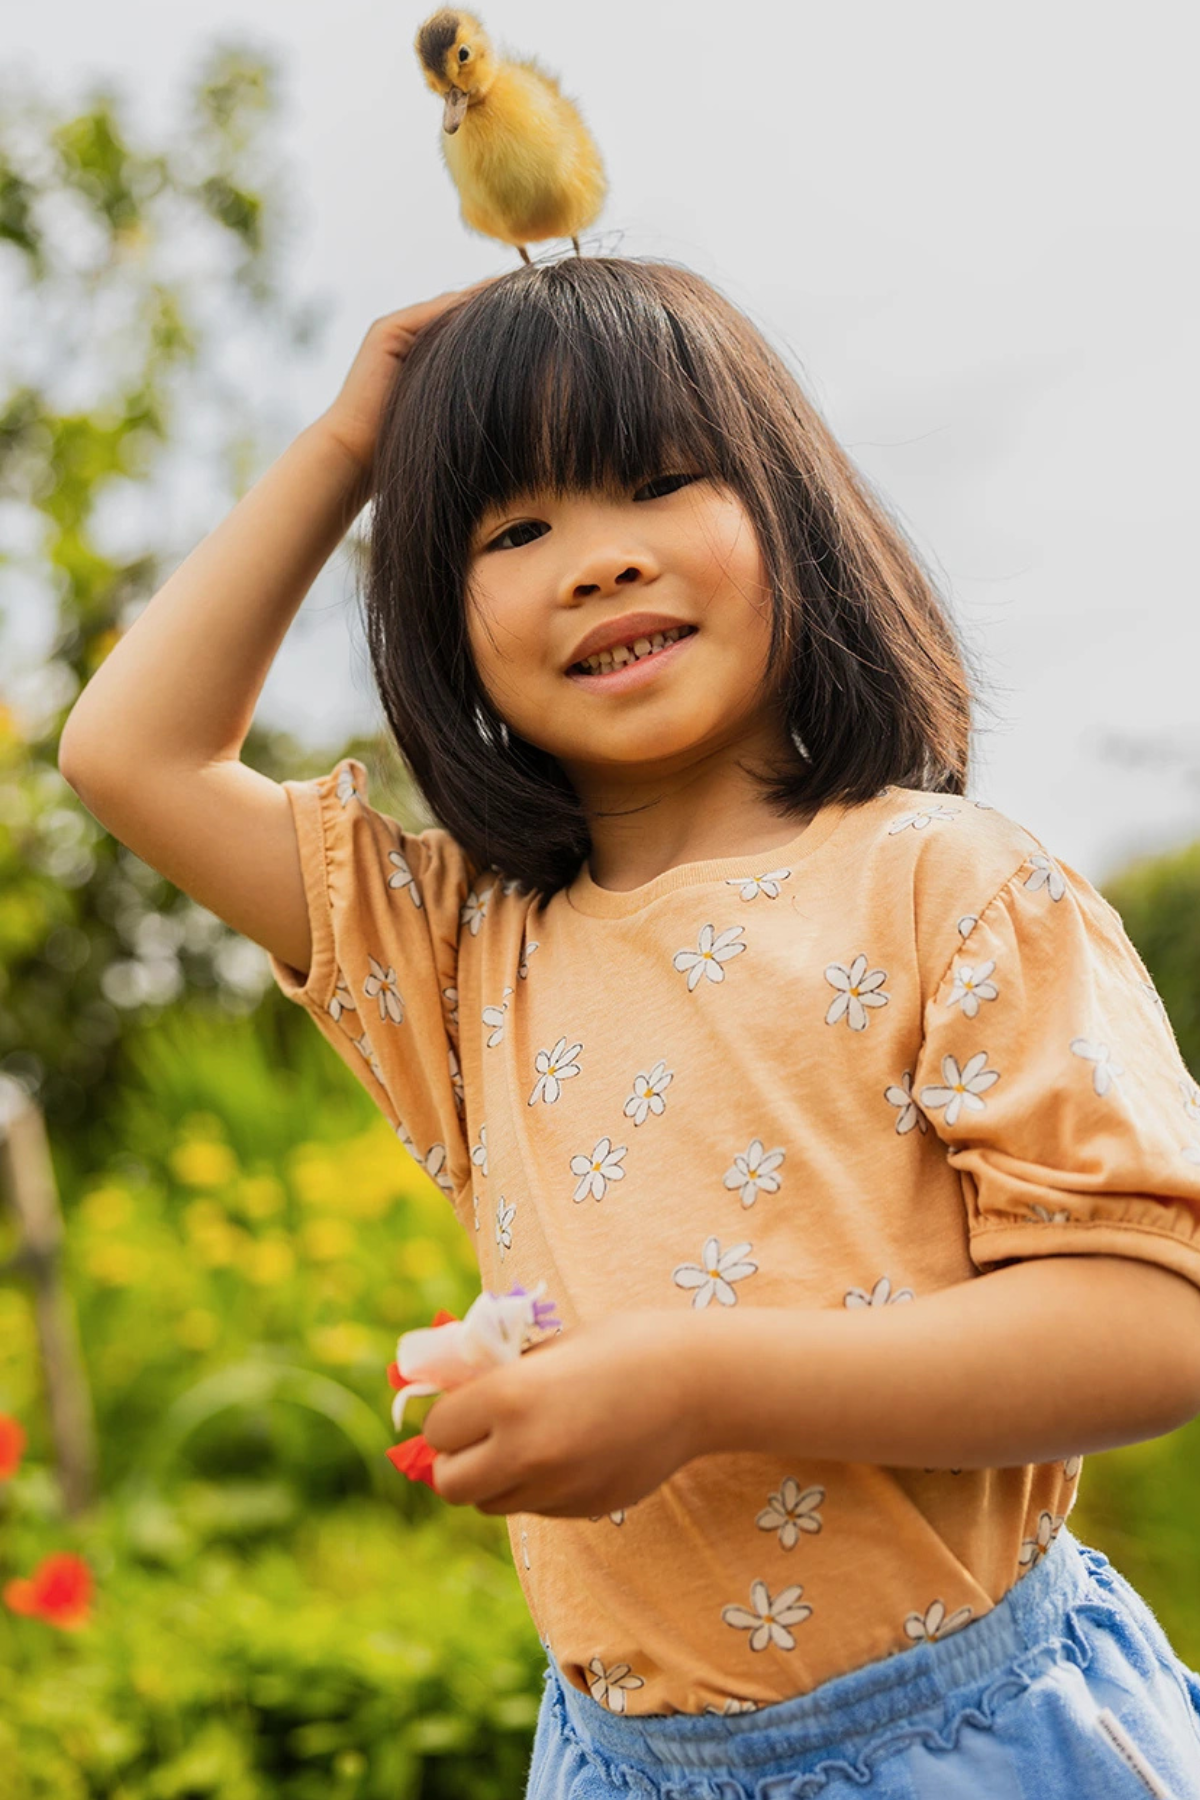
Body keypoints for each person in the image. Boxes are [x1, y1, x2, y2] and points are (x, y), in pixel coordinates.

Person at [59, 257, 1200, 1797]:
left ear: (795, 516)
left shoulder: (948, 885)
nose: (597, 563)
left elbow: (1153, 1318)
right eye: (514, 529)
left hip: (976, 1745)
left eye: (658, 484)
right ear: (440, 622)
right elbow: (131, 750)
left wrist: (692, 1382)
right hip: (617, 1763)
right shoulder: (461, 950)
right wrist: (350, 444)